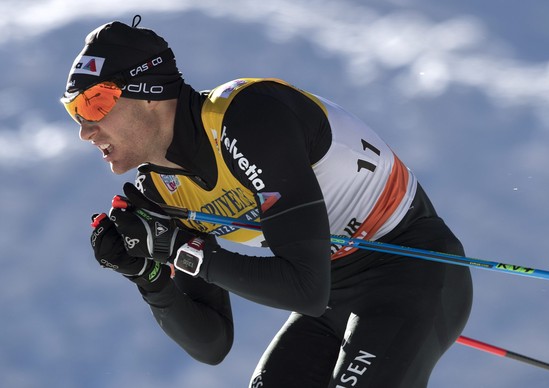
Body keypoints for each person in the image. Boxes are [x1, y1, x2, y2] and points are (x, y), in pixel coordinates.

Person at [61, 16, 472, 388]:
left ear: (149, 94)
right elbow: (213, 344)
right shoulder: (159, 192)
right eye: (74, 112)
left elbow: (304, 289)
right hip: (334, 296)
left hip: (411, 271)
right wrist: (149, 277)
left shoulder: (248, 118)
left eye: (93, 104)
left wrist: (185, 252)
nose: (86, 130)